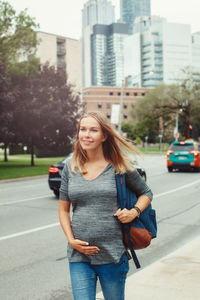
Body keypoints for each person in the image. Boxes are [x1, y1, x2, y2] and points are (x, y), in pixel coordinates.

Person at [59, 111, 153, 300]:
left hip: (112, 255)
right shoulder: (70, 166)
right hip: (79, 256)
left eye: (93, 130)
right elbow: (63, 209)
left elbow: (146, 193)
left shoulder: (119, 166)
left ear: (104, 136)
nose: (86, 134)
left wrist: (134, 212)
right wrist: (70, 239)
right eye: (82, 129)